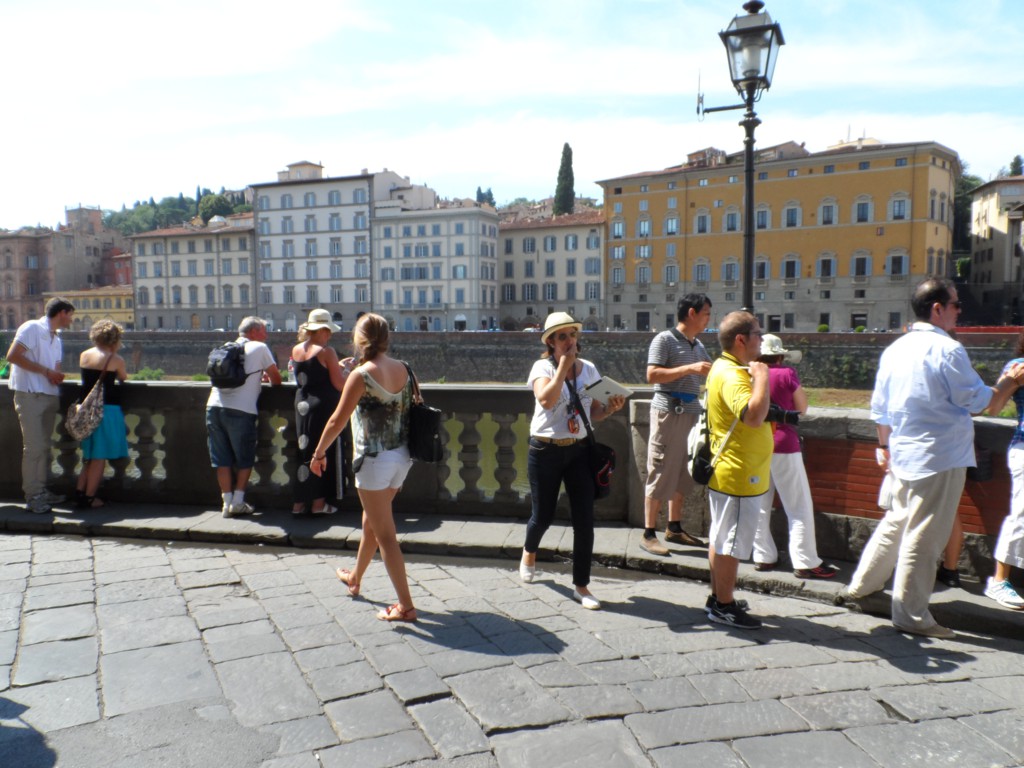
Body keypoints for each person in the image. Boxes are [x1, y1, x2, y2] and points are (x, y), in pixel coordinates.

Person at [845, 278, 1024, 638]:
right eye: (957, 305)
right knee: (924, 537)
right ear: (938, 309)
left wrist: (884, 447)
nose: (961, 310)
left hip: (903, 452)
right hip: (939, 455)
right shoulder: (948, 350)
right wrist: (1009, 381)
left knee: (896, 523)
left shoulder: (895, 348)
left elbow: (879, 408)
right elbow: (978, 402)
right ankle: (910, 615)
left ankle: (862, 587)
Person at [311, 313, 418, 622]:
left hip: (374, 461)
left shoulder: (361, 375)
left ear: (358, 340)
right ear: (387, 338)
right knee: (371, 521)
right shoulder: (405, 369)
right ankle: (355, 576)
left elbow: (336, 420)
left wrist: (318, 454)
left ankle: (406, 607)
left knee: (385, 535)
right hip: (402, 458)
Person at [519, 312, 626, 610]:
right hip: (545, 450)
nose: (569, 341)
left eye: (572, 335)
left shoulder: (589, 369)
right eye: (562, 336)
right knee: (543, 515)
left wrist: (610, 409)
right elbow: (546, 400)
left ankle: (582, 586)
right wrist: (563, 367)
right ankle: (529, 550)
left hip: (578, 450)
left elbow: (592, 414)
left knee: (584, 520)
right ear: (551, 342)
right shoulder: (542, 367)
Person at [703, 311, 772, 630]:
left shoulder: (722, 366)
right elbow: (753, 416)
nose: (762, 338)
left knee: (721, 538)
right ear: (741, 339)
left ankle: (718, 596)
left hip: (732, 469)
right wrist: (762, 378)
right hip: (740, 474)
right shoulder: (732, 375)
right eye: (758, 333)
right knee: (731, 543)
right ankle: (724, 606)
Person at [751, 334, 838, 579]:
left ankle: (763, 556)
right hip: (784, 444)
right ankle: (805, 560)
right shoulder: (787, 374)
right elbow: (801, 408)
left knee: (759, 506)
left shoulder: (751, 375)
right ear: (780, 355)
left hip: (758, 446)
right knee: (798, 506)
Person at [639, 294, 712, 556]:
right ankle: (648, 533)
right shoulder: (664, 339)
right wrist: (690, 369)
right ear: (692, 313)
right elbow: (652, 375)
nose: (708, 319)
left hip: (692, 413)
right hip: (668, 411)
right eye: (706, 313)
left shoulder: (699, 345)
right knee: (660, 469)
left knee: (684, 471)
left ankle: (674, 527)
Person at [205, 316, 282, 518]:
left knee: (221, 458)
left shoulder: (226, 347)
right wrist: (263, 378)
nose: (266, 335)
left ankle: (226, 503)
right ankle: (238, 502)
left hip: (213, 406)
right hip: (242, 409)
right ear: (254, 332)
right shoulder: (260, 347)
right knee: (245, 457)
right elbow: (276, 379)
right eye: (264, 331)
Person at [6, 297, 75, 514]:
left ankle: (41, 490)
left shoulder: (57, 338)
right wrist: (46, 372)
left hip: (48, 395)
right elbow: (13, 356)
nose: (72, 319)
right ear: (62, 313)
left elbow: (53, 366)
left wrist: (55, 376)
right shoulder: (32, 328)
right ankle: (33, 495)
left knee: (43, 447)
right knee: (34, 447)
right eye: (70, 315)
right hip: (30, 395)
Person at [291, 308, 350, 515]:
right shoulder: (327, 352)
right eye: (329, 331)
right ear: (323, 330)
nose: (330, 335)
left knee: (303, 452)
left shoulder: (297, 349)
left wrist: (338, 366)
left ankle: (298, 504)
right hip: (322, 407)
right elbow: (339, 385)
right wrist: (347, 370)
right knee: (322, 453)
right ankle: (318, 504)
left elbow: (313, 372)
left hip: (302, 406)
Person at [983, 332, 1024, 610]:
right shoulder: (1017, 365)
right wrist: (1013, 381)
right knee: (1021, 514)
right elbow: (993, 406)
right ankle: (998, 581)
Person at [74, 320, 129, 509]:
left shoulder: (84, 355)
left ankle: (80, 493)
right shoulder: (115, 359)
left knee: (90, 455)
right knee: (99, 457)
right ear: (115, 338)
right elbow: (123, 377)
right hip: (107, 410)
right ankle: (90, 498)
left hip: (86, 411)